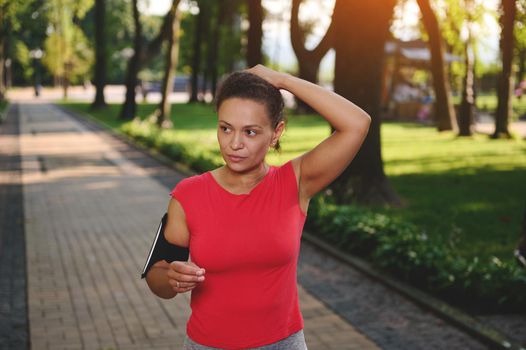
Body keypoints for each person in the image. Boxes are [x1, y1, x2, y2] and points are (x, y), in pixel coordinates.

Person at [145, 64, 371, 349]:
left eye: (250, 132)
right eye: (226, 129)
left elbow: (357, 123)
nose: (234, 144)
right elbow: (156, 274)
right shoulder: (187, 195)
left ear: (276, 133)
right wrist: (172, 279)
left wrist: (283, 80)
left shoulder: (295, 183)